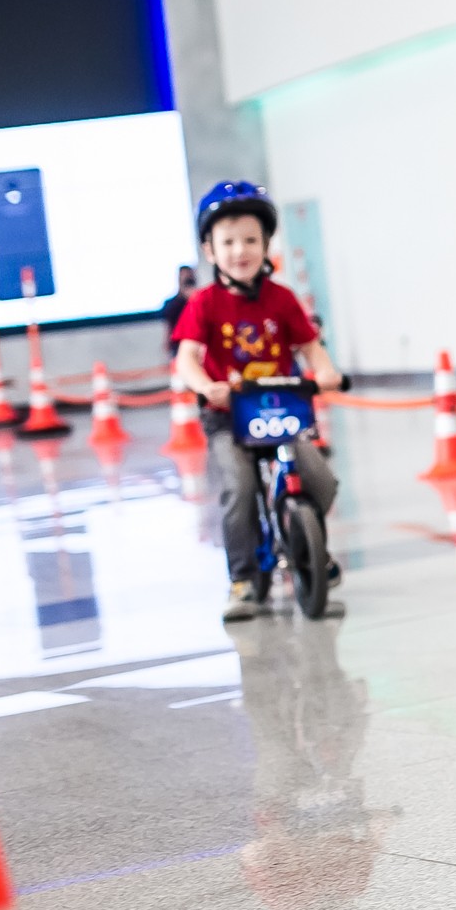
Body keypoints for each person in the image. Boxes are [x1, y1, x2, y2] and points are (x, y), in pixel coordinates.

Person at [172, 182, 345, 622]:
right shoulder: (204, 304)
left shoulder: (281, 298)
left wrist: (325, 372)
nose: (240, 251)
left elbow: (310, 346)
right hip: (228, 415)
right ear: (210, 250)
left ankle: (309, 547)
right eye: (228, 242)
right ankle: (244, 579)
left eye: (251, 240)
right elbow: (187, 357)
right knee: (240, 488)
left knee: (320, 480)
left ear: (266, 244)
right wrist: (204, 385)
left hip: (281, 410)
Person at [159, 264, 197, 357]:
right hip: (178, 345)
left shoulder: (199, 300)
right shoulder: (172, 303)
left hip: (196, 343)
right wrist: (167, 341)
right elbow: (169, 325)